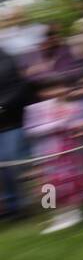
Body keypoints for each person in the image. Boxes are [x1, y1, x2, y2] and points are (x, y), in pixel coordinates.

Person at [23, 69, 83, 233]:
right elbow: (31, 130)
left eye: (60, 87)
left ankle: (74, 212)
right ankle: (57, 215)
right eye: (50, 89)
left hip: (73, 150)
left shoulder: (78, 105)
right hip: (48, 153)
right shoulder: (35, 109)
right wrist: (58, 124)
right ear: (42, 92)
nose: (56, 92)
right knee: (49, 184)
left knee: (72, 180)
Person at [0, 45, 32, 221]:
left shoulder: (7, 60)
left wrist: (2, 107)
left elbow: (18, 88)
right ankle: (8, 206)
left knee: (11, 164)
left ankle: (20, 206)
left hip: (11, 122)